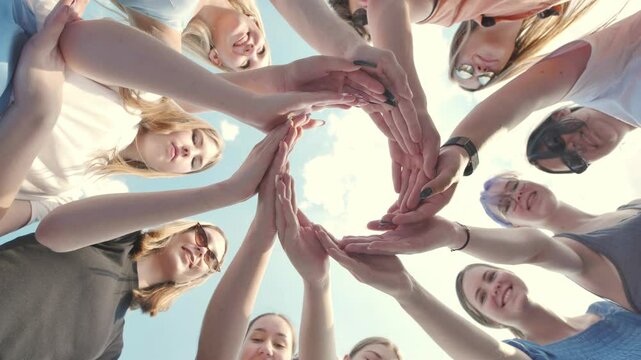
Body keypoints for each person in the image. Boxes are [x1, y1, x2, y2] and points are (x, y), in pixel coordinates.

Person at [385, 9, 641, 225]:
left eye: (556, 143)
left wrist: (460, 151)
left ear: (560, 114)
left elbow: (522, 97)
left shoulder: (598, 82)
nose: (573, 147)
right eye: (574, 160)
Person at [0, 1, 225, 236]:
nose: (190, 152)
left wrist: (35, 115)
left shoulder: (73, 194)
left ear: (174, 174)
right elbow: (68, 33)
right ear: (182, 124)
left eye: (194, 163)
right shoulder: (136, 96)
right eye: (195, 139)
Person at [318, 232, 641, 359]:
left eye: (490, 277)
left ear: (510, 271)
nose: (494, 287)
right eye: (483, 297)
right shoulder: (527, 353)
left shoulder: (605, 308)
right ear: (490, 321)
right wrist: (407, 290)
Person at [480, 172, 641, 230]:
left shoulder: (632, 204)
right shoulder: (572, 254)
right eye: (506, 205)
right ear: (517, 226)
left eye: (514, 185)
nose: (517, 195)